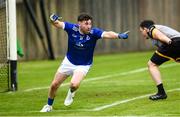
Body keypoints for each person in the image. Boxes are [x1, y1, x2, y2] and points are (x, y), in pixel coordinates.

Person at [40, 13, 129, 112]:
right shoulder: (71, 28)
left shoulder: (94, 33)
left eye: (90, 24)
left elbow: (107, 33)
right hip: (69, 62)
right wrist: (52, 19)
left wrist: (118, 35)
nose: (89, 26)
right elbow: (56, 23)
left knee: (74, 84)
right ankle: (48, 106)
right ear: (79, 24)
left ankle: (71, 92)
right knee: (54, 85)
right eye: (86, 24)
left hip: (83, 65)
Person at [139, 20, 180, 100]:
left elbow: (160, 35)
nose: (142, 34)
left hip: (174, 43)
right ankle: (161, 93)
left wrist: (169, 42)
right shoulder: (154, 34)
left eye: (141, 31)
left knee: (152, 64)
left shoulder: (151, 29)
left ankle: (161, 93)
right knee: (152, 64)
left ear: (145, 29)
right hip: (175, 44)